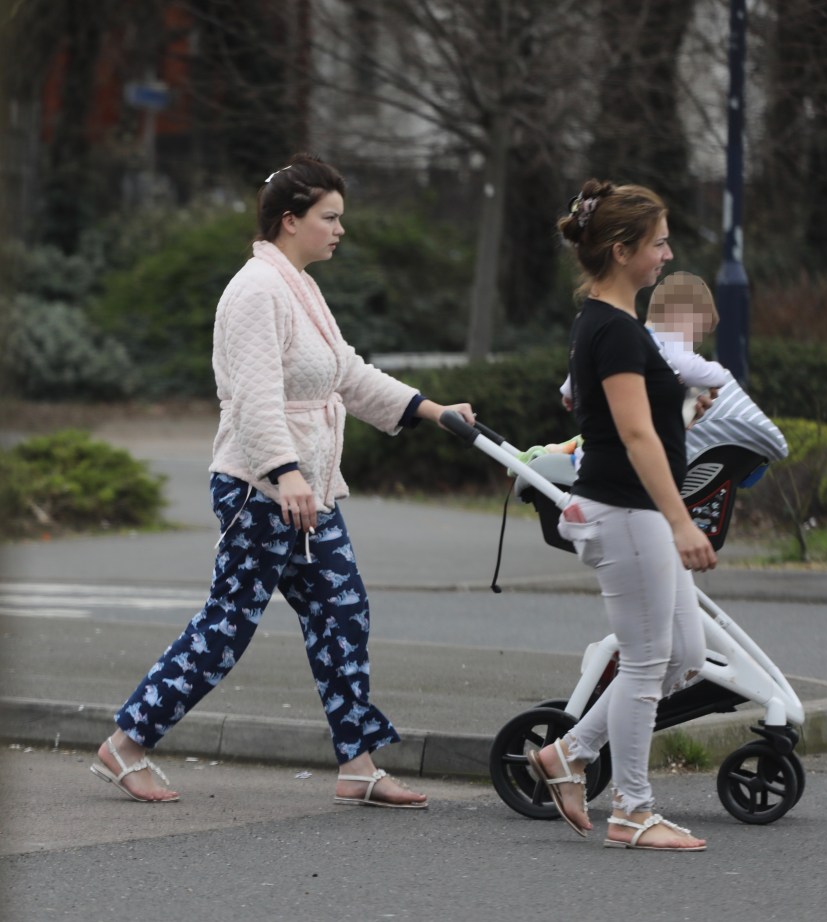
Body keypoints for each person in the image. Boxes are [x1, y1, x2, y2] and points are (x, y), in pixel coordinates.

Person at [90, 153, 475, 808]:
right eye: (329, 217)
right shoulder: (255, 290)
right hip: (261, 488)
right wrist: (285, 473)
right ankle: (126, 743)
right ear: (290, 220)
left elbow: (346, 374)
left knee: (341, 611)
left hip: (305, 492)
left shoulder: (297, 286)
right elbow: (253, 400)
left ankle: (357, 764)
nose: (339, 230)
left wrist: (431, 412)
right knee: (228, 624)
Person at [525, 179, 716, 851]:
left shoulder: (616, 327)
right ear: (620, 248)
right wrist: (680, 521)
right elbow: (634, 438)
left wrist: (687, 410)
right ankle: (632, 811)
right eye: (657, 243)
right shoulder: (611, 330)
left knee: (684, 655)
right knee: (643, 663)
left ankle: (569, 752)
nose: (666, 255)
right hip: (627, 512)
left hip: (634, 512)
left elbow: (640, 425)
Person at [559, 270, 730, 420]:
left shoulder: (633, 334)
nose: (694, 345)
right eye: (697, 333)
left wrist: (569, 391)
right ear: (683, 318)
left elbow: (585, 361)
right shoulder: (670, 340)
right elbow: (686, 366)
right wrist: (719, 372)